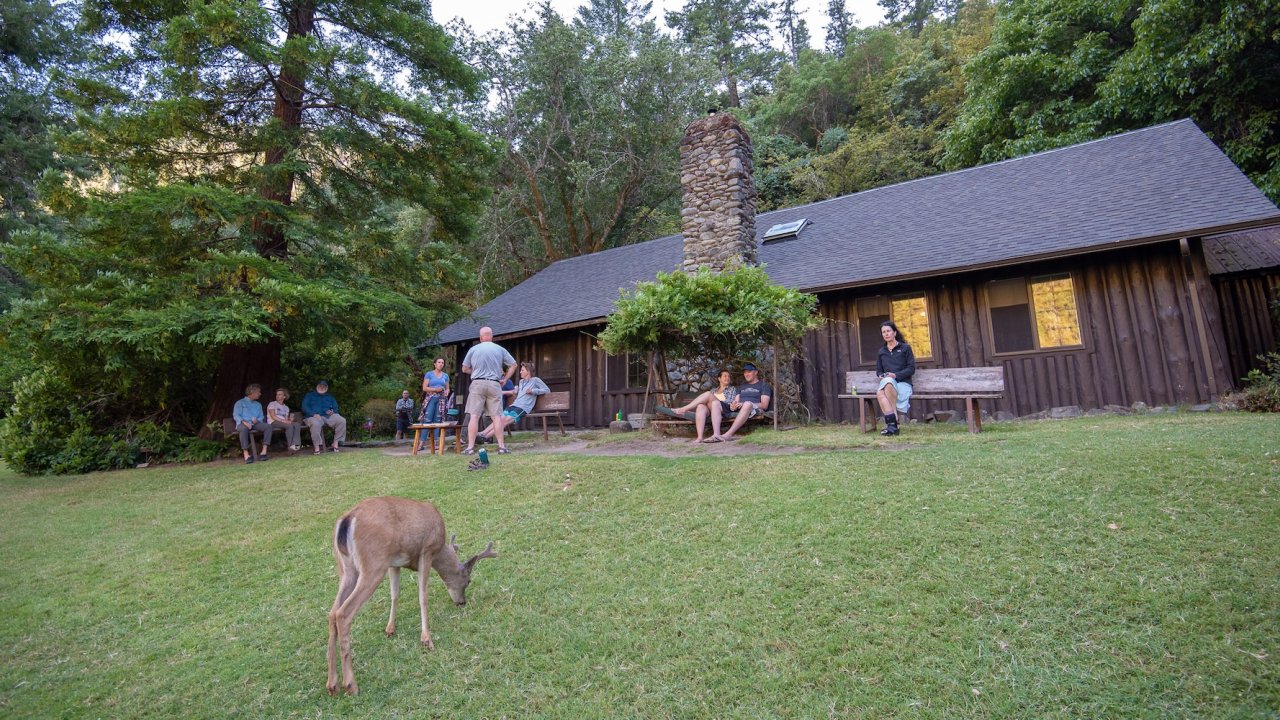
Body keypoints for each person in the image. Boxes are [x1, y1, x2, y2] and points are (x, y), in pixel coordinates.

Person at [460, 326, 517, 455]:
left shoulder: (473, 349)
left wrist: (475, 371)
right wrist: (506, 379)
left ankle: (470, 447)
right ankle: (502, 447)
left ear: (480, 338)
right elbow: (513, 364)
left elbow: (464, 368)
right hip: (494, 383)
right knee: (496, 417)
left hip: (477, 383)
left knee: (474, 416)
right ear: (491, 336)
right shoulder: (499, 349)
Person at [657, 369, 736, 443]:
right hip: (712, 410)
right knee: (701, 406)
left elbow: (730, 402)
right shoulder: (714, 390)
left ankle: (684, 408)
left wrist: (715, 401)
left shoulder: (732, 389)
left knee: (708, 394)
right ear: (719, 379)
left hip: (723, 409)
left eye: (728, 376)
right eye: (725, 376)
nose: (727, 378)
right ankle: (700, 437)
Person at [478, 362, 549, 443]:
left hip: (522, 408)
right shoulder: (521, 382)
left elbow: (547, 390)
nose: (520, 372)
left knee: (504, 421)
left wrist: (533, 391)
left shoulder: (535, 380)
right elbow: (519, 393)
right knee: (499, 419)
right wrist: (515, 390)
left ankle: (485, 437)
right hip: (514, 405)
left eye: (522, 370)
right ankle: (482, 433)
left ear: (528, 371)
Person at [713, 363, 772, 442]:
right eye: (745, 372)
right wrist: (734, 404)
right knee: (715, 403)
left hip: (753, 408)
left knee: (747, 403)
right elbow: (736, 400)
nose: (746, 374)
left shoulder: (763, 385)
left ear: (756, 372)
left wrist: (745, 404)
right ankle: (716, 435)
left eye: (749, 372)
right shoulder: (742, 386)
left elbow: (764, 405)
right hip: (740, 408)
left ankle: (728, 435)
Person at [875, 320, 915, 436]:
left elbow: (911, 369)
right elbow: (879, 371)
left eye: (888, 331)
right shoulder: (881, 351)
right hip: (888, 383)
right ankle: (893, 425)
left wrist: (895, 375)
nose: (886, 334)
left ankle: (893, 425)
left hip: (903, 383)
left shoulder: (905, 348)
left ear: (894, 333)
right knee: (886, 384)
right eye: (883, 332)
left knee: (882, 390)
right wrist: (881, 375)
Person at [302, 380, 347, 454]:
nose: (322, 388)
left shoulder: (330, 397)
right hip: (312, 416)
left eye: (324, 386)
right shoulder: (309, 395)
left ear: (327, 388)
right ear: (316, 386)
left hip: (327, 417)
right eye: (320, 386)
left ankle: (335, 444)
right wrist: (313, 414)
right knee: (316, 424)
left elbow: (335, 408)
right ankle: (317, 447)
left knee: (341, 420)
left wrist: (333, 411)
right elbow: (304, 407)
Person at [233, 384, 273, 463]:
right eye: (258, 392)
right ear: (252, 392)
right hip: (242, 423)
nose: (260, 394)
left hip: (255, 424)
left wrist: (257, 421)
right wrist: (244, 422)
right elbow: (236, 415)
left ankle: (263, 452)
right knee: (244, 429)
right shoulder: (240, 402)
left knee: (268, 427)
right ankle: (246, 454)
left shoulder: (258, 404)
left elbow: (261, 417)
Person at [420, 357, 450, 448]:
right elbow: (424, 388)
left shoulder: (445, 376)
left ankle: (436, 442)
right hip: (431, 398)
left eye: (442, 362)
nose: (441, 364)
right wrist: (435, 389)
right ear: (435, 364)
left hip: (441, 399)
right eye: (439, 362)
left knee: (438, 420)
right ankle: (421, 442)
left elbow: (447, 388)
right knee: (427, 419)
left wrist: (447, 392)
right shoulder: (429, 374)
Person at [267, 387, 302, 453]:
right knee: (289, 426)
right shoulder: (272, 404)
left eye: (280, 394)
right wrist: (284, 421)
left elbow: (286, 419)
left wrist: (290, 420)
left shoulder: (286, 407)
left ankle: (296, 445)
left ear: (284, 396)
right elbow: (273, 416)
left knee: (296, 424)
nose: (277, 396)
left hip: (283, 423)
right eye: (277, 394)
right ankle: (291, 447)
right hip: (273, 422)